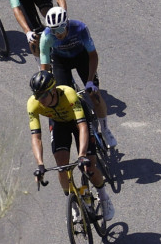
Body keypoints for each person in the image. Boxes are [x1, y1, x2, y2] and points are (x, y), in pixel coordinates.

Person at [28, 70, 115, 222]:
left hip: (78, 120)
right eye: (37, 96)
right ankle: (73, 204)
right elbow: (36, 137)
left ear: (53, 90)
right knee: (62, 167)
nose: (39, 100)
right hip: (58, 124)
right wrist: (40, 164)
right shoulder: (32, 104)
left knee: (89, 167)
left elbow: (82, 127)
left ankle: (104, 197)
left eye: (43, 95)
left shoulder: (68, 94)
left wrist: (81, 155)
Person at [39, 7, 117, 147]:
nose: (57, 34)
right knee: (64, 98)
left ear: (66, 24)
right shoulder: (46, 37)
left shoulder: (79, 28)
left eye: (60, 29)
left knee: (94, 94)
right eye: (54, 30)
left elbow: (93, 55)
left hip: (81, 57)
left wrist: (90, 80)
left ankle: (105, 129)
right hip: (60, 62)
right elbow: (44, 67)